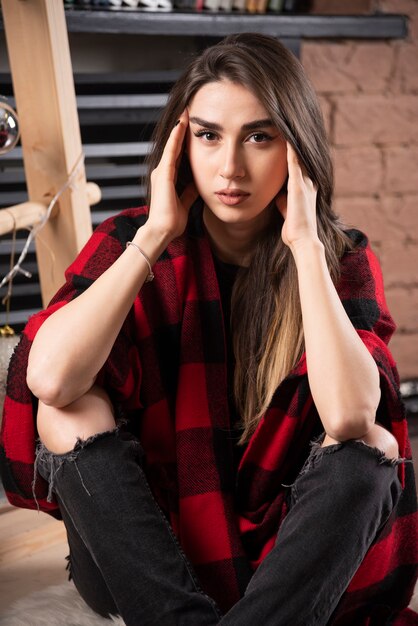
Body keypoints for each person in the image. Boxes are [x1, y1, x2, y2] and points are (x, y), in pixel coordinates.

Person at [1, 33, 417, 625]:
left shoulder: (337, 256)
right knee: (65, 408)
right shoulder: (130, 238)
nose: (230, 167)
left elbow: (352, 417)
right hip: (149, 562)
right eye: (208, 135)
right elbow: (48, 378)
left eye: (259, 136)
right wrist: (153, 236)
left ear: (295, 150)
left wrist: (303, 246)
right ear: (180, 145)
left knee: (372, 445)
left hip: (285, 557)